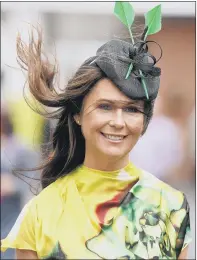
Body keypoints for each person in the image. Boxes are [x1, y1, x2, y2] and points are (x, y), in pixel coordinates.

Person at [1, 5, 191, 260]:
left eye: (132, 110)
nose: (118, 121)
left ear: (144, 121)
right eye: (105, 107)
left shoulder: (170, 205)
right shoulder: (41, 212)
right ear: (78, 114)